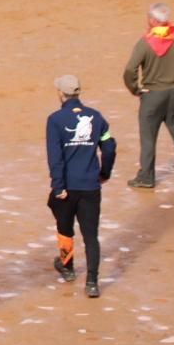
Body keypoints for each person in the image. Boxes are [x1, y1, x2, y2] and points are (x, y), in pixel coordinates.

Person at [46, 74, 116, 298]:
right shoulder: (96, 117)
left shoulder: (55, 120)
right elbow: (109, 146)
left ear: (60, 93)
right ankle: (93, 282)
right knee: (90, 235)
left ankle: (67, 268)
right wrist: (105, 172)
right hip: (90, 186)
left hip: (67, 186)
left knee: (65, 228)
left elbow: (54, 157)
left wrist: (58, 187)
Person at [122, 3, 174, 189]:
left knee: (148, 138)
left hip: (152, 97)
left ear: (152, 20)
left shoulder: (145, 43)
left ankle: (146, 178)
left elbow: (130, 70)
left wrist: (135, 89)